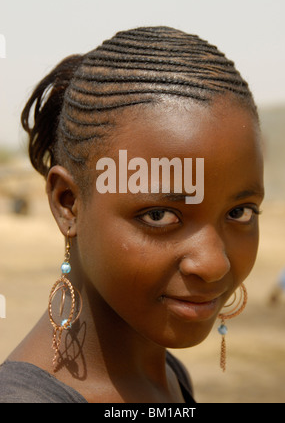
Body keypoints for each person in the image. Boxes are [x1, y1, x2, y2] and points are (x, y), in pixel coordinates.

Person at [0, 26, 264, 403]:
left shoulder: (168, 377)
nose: (213, 264)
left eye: (240, 211)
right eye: (159, 216)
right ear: (67, 203)